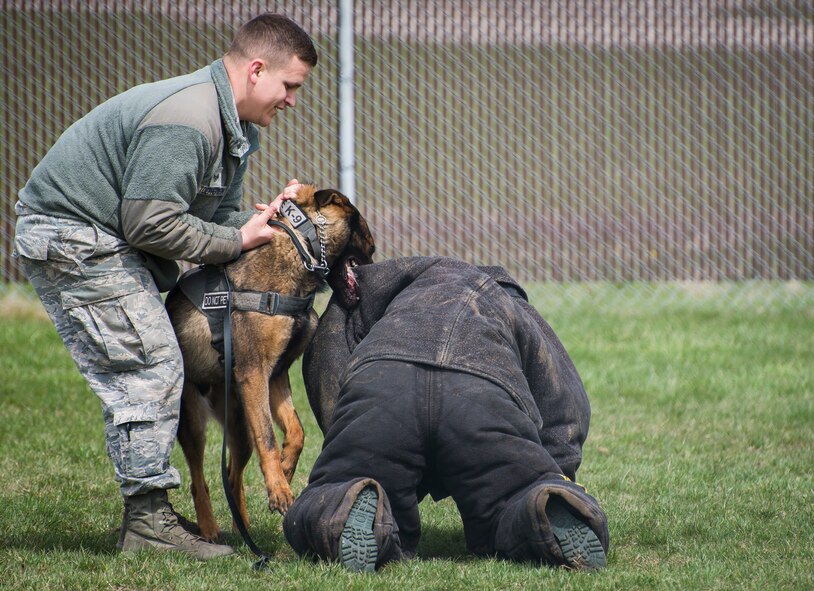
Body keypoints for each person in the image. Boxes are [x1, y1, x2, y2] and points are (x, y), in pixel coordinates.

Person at [12, 13, 317, 560]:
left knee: (155, 357)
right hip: (71, 235)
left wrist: (261, 228)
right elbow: (148, 222)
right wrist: (234, 241)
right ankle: (148, 525)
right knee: (152, 361)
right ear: (255, 70)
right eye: (289, 86)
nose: (293, 101)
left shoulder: (236, 129)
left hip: (109, 238)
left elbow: (221, 221)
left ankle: (147, 516)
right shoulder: (191, 119)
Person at [284, 256, 610, 572]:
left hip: (384, 381)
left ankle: (350, 500)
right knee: (515, 495)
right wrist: (553, 470)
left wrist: (349, 436)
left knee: (337, 488)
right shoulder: (507, 301)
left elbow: (327, 350)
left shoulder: (381, 288)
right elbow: (566, 399)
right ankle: (543, 505)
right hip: (480, 393)